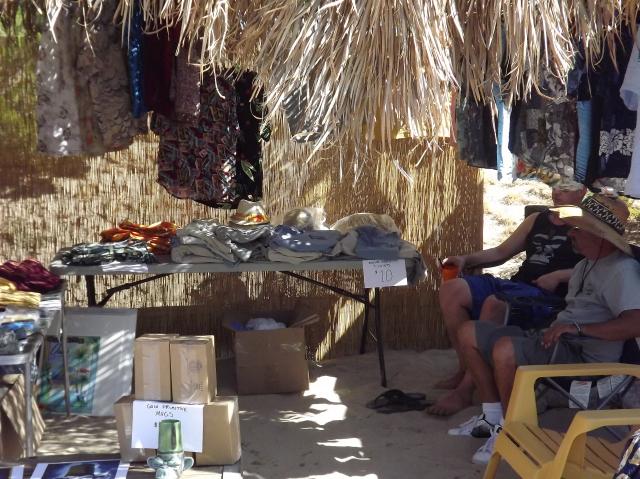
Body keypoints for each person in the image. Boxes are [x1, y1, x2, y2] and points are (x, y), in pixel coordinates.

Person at [453, 193, 640, 465]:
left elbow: (635, 323)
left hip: (586, 361)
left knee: (505, 350)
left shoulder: (621, 271)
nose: (570, 233)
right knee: (468, 332)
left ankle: (512, 433)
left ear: (599, 236)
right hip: (561, 343)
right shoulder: (586, 264)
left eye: (578, 229)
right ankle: (493, 418)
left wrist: (578, 328)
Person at [428, 184, 587, 416]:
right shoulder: (536, 219)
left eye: (565, 188)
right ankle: (465, 369)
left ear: (582, 191)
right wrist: (465, 259)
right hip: (518, 284)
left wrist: (560, 275)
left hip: (548, 297)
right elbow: (501, 252)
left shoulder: (587, 225)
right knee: (452, 289)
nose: (557, 192)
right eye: (555, 186)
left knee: (495, 303)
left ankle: (465, 390)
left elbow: (598, 266)